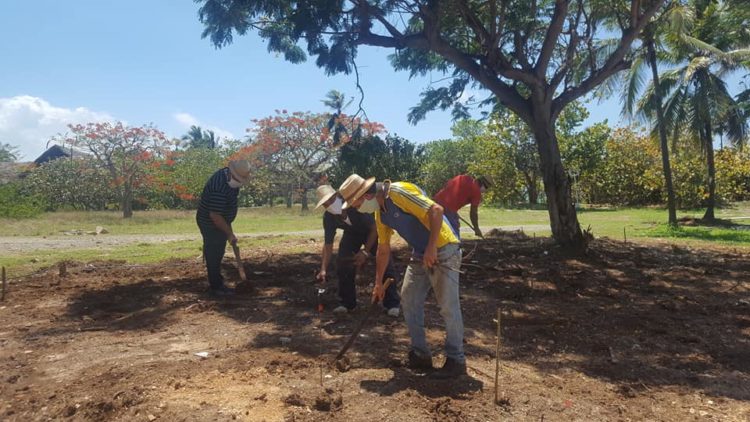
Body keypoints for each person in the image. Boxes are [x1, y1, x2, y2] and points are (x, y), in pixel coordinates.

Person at [340, 174, 466, 379]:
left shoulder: (398, 193)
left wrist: (432, 247)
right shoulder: (380, 214)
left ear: (367, 194)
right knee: (408, 300)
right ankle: (420, 354)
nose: (356, 208)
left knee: (447, 306)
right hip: (419, 253)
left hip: (443, 248)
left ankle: (456, 360)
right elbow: (383, 248)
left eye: (356, 203)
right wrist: (378, 283)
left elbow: (436, 210)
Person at [315, 184, 401, 316]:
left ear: (338, 196)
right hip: (351, 234)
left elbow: (374, 228)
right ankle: (347, 303)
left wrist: (365, 252)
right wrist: (323, 268)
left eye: (331, 200)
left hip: (372, 232)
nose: (330, 205)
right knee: (343, 262)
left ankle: (392, 303)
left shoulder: (354, 205)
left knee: (384, 262)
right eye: (325, 204)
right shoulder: (329, 217)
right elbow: (328, 244)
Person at [196, 160, 251, 296]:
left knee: (218, 249)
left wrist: (229, 230)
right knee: (214, 251)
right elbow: (215, 215)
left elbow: (225, 209)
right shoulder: (218, 187)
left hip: (221, 219)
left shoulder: (230, 180)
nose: (240, 183)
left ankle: (217, 282)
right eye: (238, 179)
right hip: (210, 222)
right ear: (231, 174)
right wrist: (229, 233)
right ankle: (216, 287)